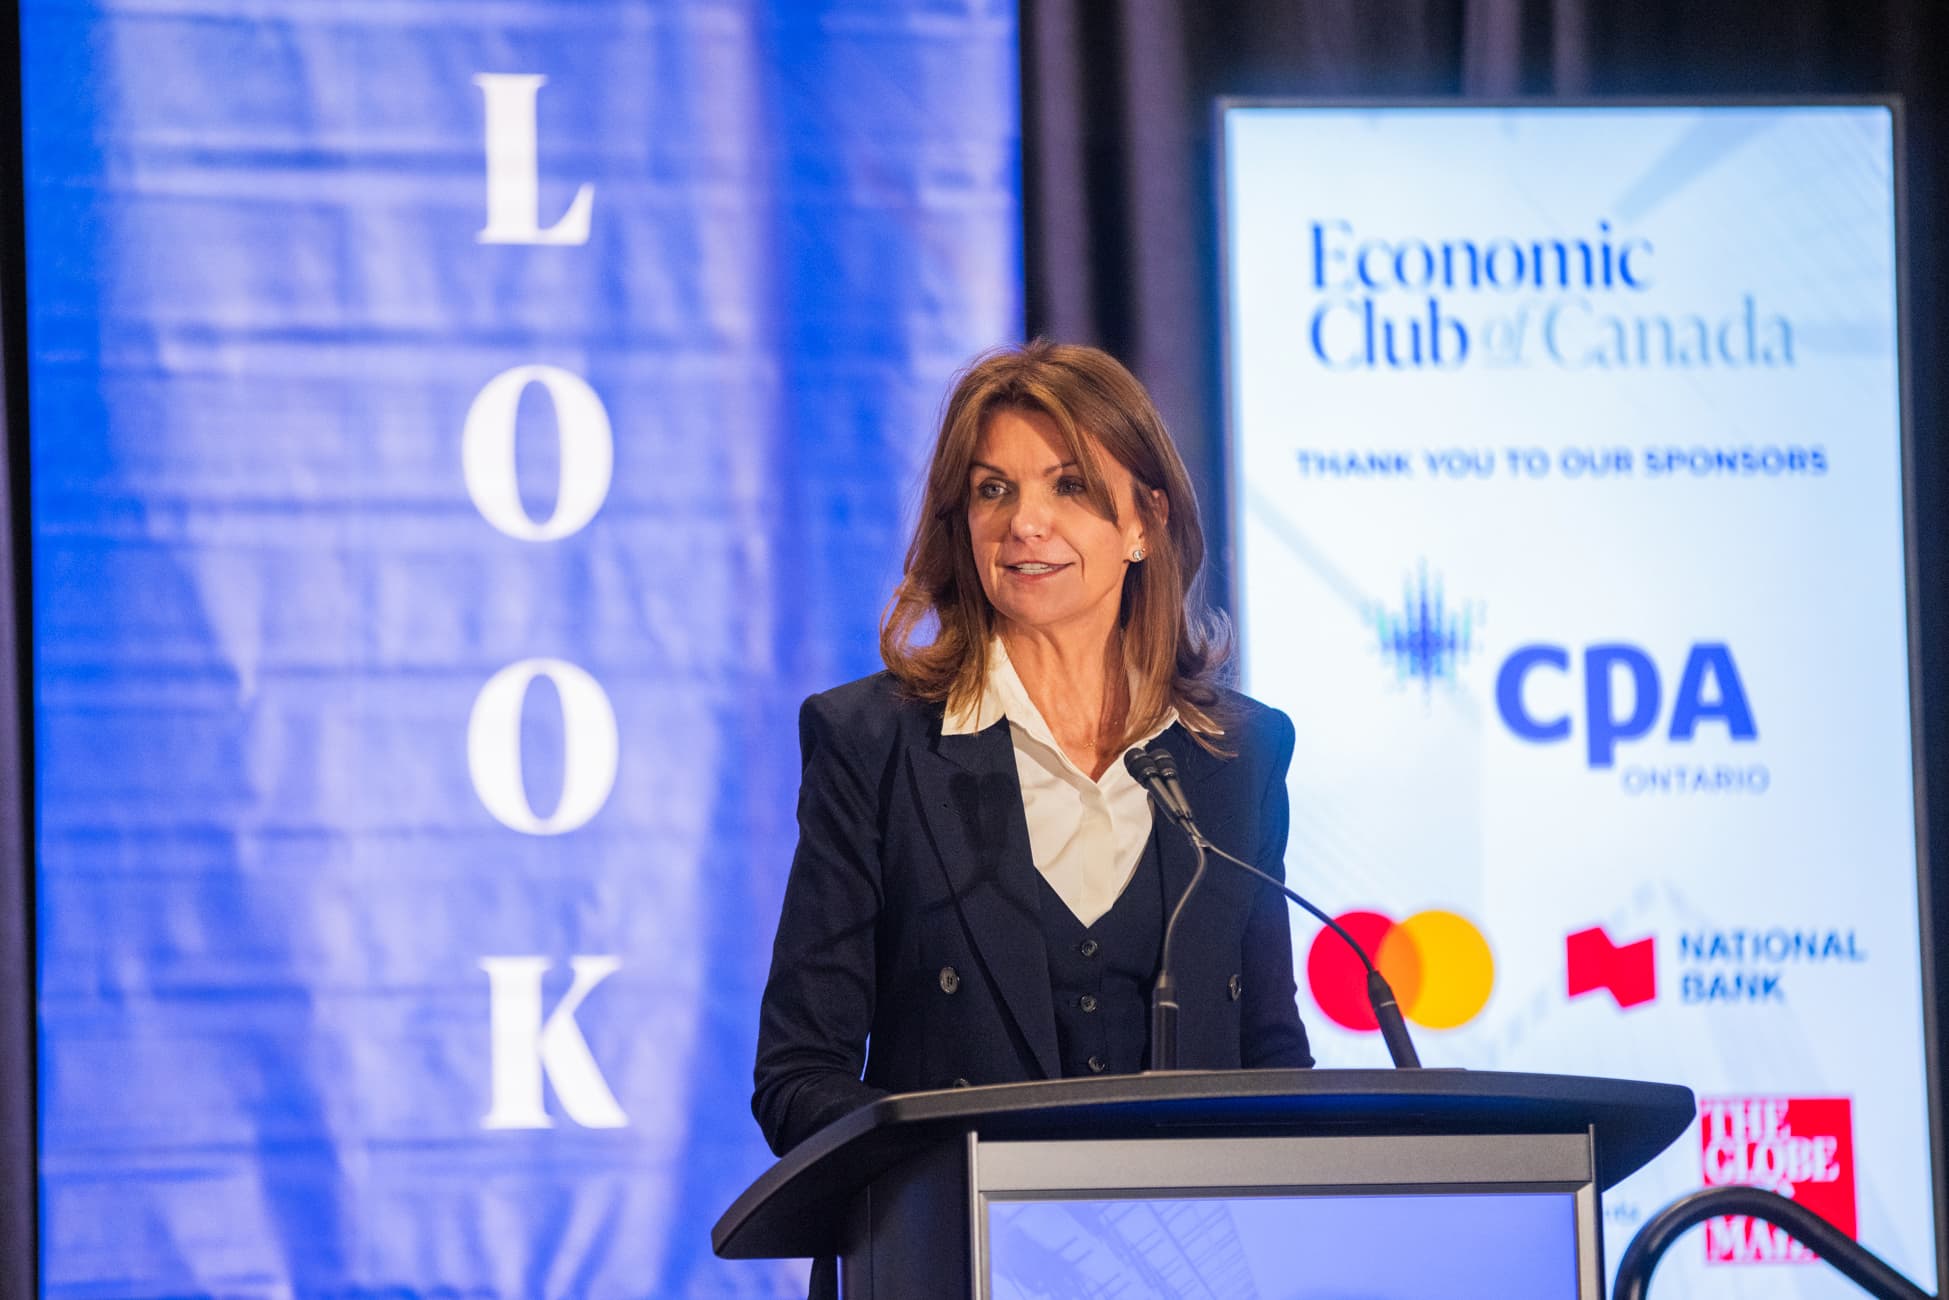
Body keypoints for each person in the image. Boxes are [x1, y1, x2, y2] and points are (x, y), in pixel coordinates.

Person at [752, 340, 1313, 1165]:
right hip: (955, 1260)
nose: (1023, 522)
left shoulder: (1236, 755)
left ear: (1143, 524)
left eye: (1070, 486)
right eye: (992, 490)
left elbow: (1269, 1058)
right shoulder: (872, 744)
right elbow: (799, 1078)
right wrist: (970, 1177)